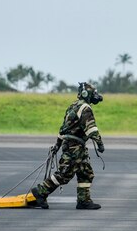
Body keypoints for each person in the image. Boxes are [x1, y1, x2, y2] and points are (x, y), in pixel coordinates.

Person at [31, 82, 105, 210]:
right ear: (86, 94)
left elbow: (62, 129)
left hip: (76, 146)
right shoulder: (85, 108)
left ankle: (84, 201)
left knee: (85, 173)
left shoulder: (72, 106)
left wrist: (57, 145)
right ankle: (41, 191)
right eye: (93, 93)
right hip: (74, 147)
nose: (95, 96)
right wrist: (100, 144)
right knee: (65, 174)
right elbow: (91, 128)